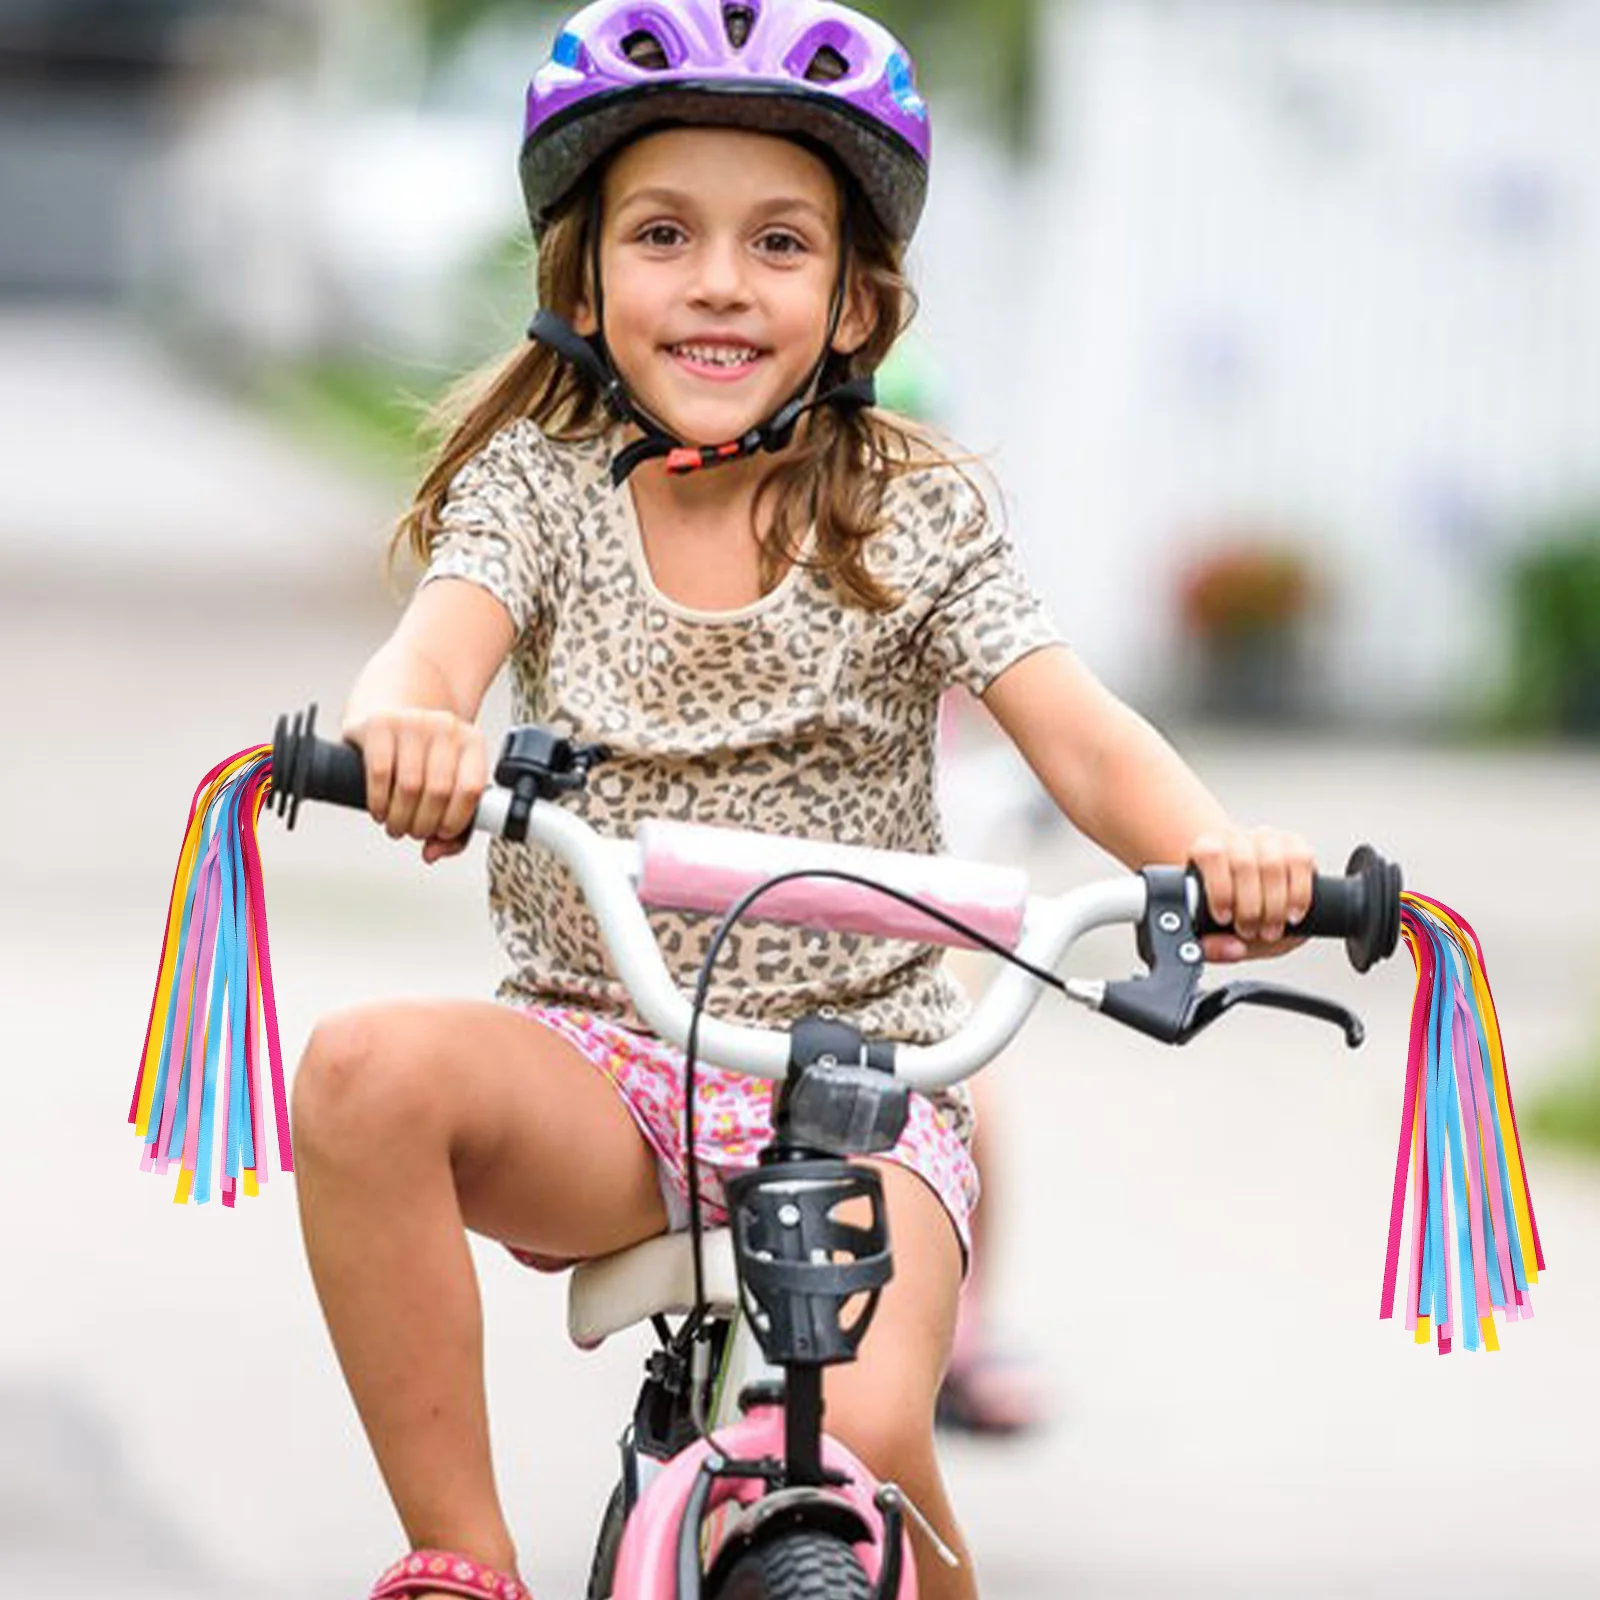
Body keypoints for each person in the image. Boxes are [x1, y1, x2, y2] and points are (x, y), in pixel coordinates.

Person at [290, 3, 1317, 1598]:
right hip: (603, 1062)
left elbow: (1088, 742)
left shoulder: (913, 511)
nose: (717, 281)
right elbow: (424, 664)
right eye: (662, 234)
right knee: (360, 1075)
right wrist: (411, 737)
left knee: (871, 1444)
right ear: (584, 282)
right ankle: (461, 1557)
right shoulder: (539, 493)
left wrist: (1219, 856)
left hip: (868, 1089)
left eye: (779, 242)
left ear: (855, 303)